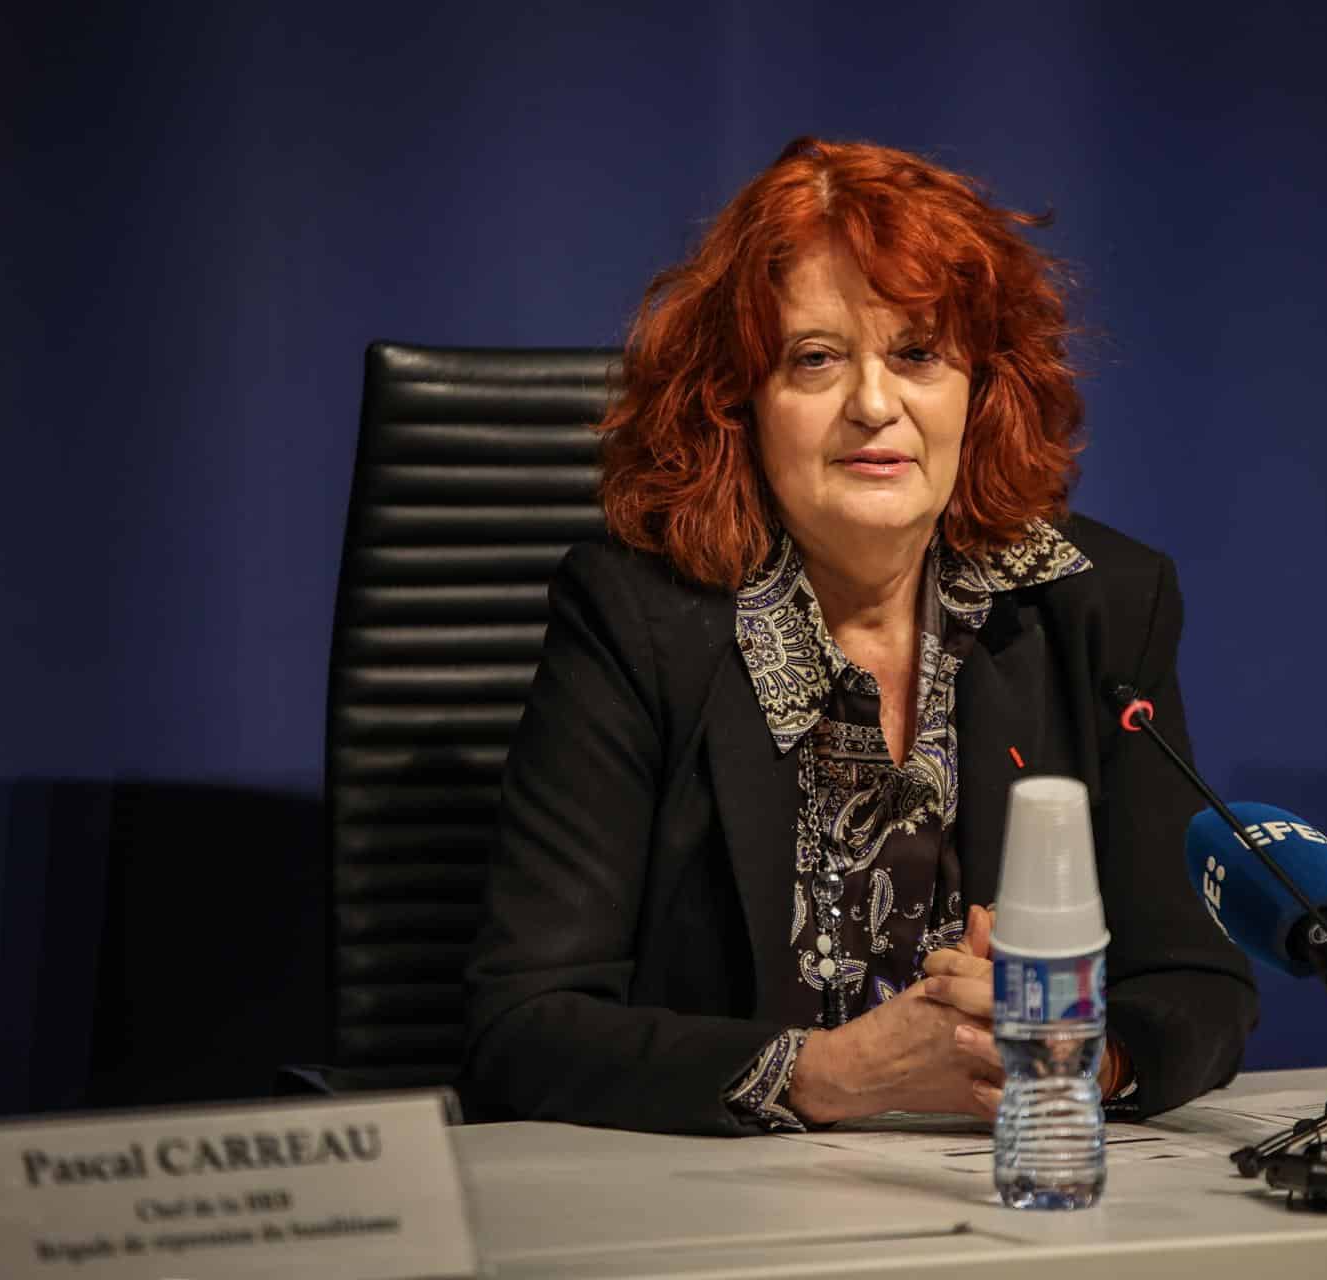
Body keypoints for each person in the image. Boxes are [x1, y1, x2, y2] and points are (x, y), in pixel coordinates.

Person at [464, 137, 1256, 1135]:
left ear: (983, 386)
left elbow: (1198, 981)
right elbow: (524, 1023)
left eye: (917, 353)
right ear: (739, 404)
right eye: (816, 358)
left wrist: (1080, 1056)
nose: (875, 404)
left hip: (999, 1198)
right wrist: (827, 1072)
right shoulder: (637, 620)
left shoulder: (1090, 604)